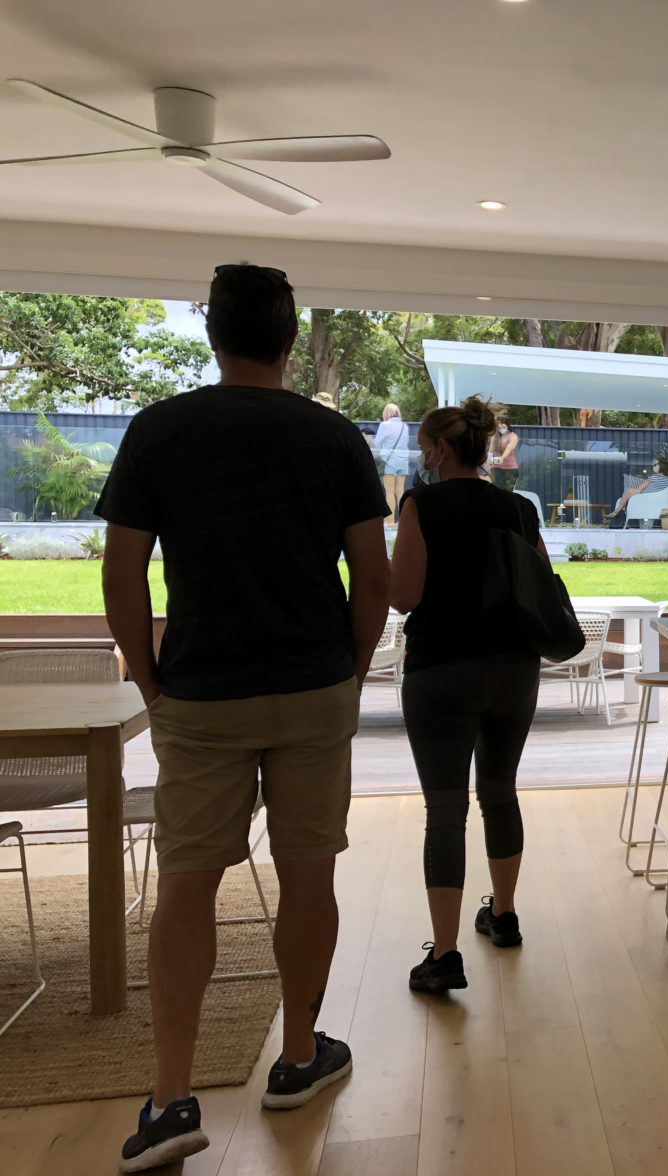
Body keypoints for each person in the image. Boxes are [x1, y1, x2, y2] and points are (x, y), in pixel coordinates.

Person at [99, 263, 389, 1173]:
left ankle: (168, 1099)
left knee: (187, 887)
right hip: (311, 689)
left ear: (214, 333)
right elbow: (371, 580)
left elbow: (122, 574)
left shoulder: (160, 432)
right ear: (290, 337)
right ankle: (299, 1057)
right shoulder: (335, 438)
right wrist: (345, 670)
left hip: (199, 693)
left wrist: (152, 683)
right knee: (309, 877)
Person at [390, 396, 546, 994]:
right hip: (513, 671)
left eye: (426, 447)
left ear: (442, 450)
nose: (422, 456)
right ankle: (503, 916)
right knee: (501, 793)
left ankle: (446, 955)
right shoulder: (517, 509)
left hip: (442, 673)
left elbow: (403, 595)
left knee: (447, 810)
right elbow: (540, 585)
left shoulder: (421, 504)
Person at [605, 454, 668, 527]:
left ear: (661, 466)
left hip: (646, 499)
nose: (653, 467)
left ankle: (616, 512)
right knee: (629, 495)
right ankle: (620, 514)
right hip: (661, 502)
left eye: (655, 465)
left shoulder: (654, 477)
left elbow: (639, 488)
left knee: (629, 491)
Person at [373, 403, 411, 517]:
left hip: (389, 462)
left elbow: (377, 444)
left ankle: (390, 523)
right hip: (403, 461)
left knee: (389, 492)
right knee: (400, 491)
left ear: (386, 413)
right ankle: (405, 520)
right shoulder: (405, 426)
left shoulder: (385, 425)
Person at [488, 413, 519, 491]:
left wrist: (501, 458)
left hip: (510, 468)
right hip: (496, 468)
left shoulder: (513, 436)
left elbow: (508, 450)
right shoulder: (494, 436)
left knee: (508, 492)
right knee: (496, 490)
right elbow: (490, 451)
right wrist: (489, 461)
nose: (501, 429)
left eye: (503, 427)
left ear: (508, 426)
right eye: (499, 427)